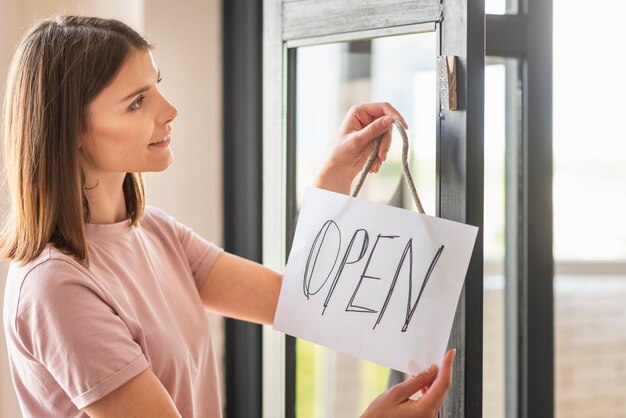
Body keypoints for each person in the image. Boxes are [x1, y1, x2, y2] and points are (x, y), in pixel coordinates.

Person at [0, 15, 455, 418]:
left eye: (157, 86)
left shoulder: (154, 232)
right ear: (70, 131)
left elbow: (297, 302)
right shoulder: (55, 286)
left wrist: (334, 173)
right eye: (137, 102)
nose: (169, 110)